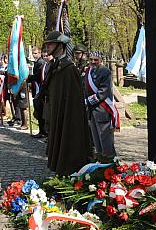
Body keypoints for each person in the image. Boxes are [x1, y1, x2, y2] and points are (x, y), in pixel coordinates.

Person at [41, 32, 92, 176]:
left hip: (67, 116)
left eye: (50, 43)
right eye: (47, 43)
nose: (47, 46)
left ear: (60, 45)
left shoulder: (69, 69)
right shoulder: (55, 66)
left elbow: (74, 101)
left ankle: (68, 170)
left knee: (67, 144)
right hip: (55, 113)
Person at [83, 53, 117, 158]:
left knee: (105, 137)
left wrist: (87, 101)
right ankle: (100, 160)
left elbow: (103, 92)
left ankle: (109, 161)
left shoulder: (105, 71)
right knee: (96, 137)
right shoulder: (88, 71)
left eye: (96, 60)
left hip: (102, 108)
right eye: (91, 59)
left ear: (101, 60)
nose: (93, 62)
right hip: (92, 110)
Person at [29, 48, 50, 138]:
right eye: (44, 56)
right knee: (39, 111)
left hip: (46, 93)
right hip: (40, 92)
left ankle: (46, 132)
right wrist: (28, 78)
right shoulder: (43, 65)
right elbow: (38, 76)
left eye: (47, 56)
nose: (45, 58)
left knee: (45, 114)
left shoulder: (49, 65)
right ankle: (42, 131)